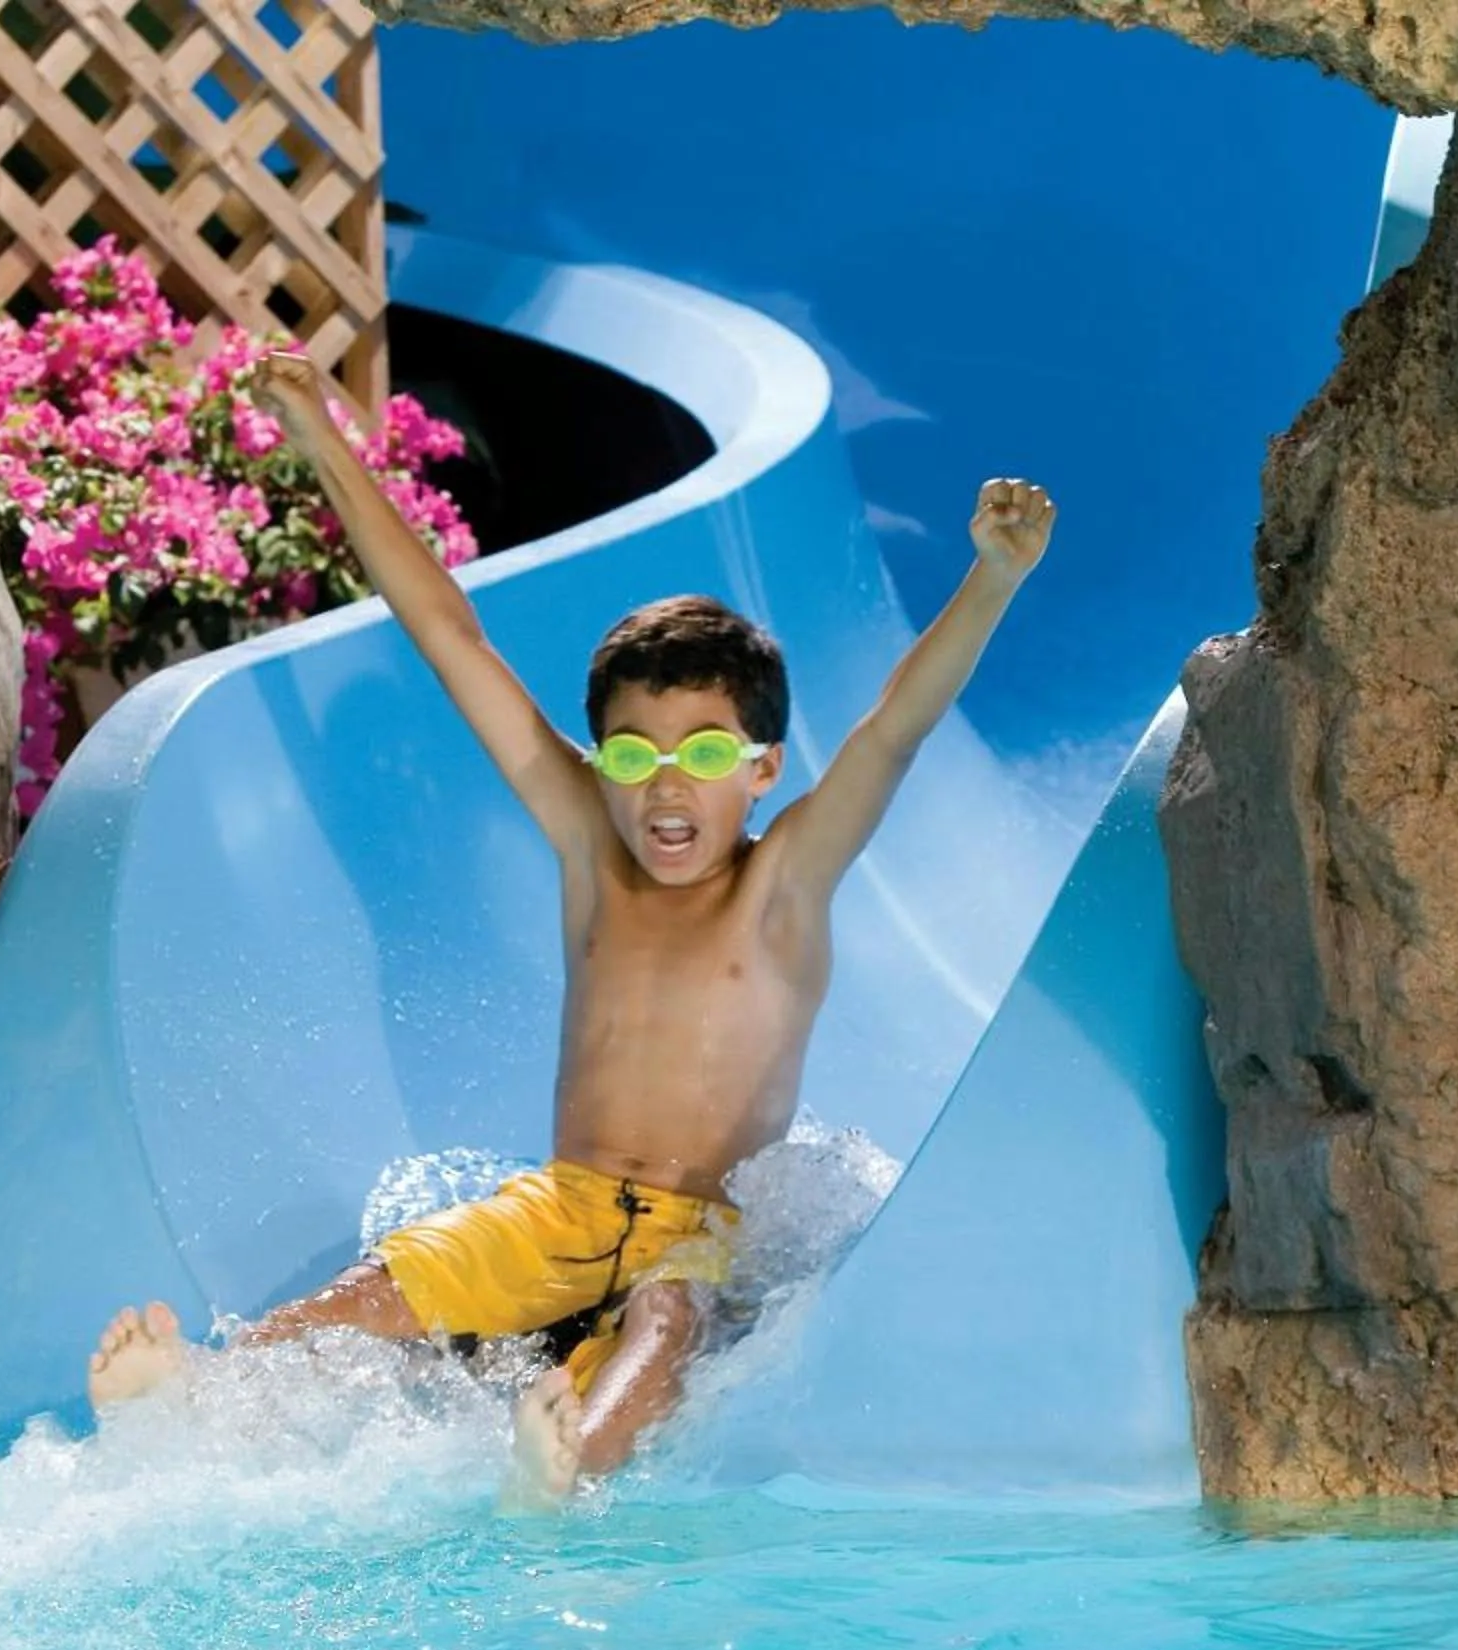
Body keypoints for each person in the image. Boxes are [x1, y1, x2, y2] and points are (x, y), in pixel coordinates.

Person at [88, 347, 1055, 1505]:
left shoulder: (786, 878)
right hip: (562, 1202)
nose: (664, 787)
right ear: (599, 767)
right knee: (382, 1284)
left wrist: (992, 579)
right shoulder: (591, 857)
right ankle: (203, 1395)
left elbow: (896, 725)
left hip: (699, 1226)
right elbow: (453, 638)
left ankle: (567, 1462)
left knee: (668, 1321)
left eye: (701, 754)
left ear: (761, 770)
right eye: (634, 755)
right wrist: (322, 450)